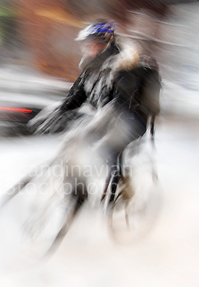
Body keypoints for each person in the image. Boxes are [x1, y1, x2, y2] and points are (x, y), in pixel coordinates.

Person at [29, 19, 162, 201]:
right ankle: (78, 196)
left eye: (93, 45)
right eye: (86, 46)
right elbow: (74, 99)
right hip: (105, 118)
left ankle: (121, 188)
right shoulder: (90, 70)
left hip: (132, 119)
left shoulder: (125, 66)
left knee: (107, 148)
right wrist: (53, 115)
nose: (88, 50)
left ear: (106, 44)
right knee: (75, 148)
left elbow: (120, 103)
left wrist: (96, 125)